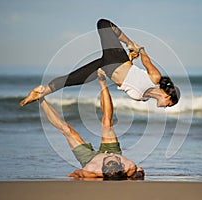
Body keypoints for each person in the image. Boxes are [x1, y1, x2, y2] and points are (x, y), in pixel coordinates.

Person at [20, 19, 180, 108]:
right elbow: (146, 62)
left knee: (69, 80)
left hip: (104, 67)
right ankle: (128, 41)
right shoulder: (155, 79)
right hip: (116, 59)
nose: (166, 107)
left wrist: (103, 78)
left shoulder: (142, 99)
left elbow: (124, 82)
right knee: (103, 24)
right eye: (169, 104)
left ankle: (40, 93)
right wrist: (136, 47)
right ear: (167, 96)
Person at [39, 68, 144, 180]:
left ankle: (40, 99)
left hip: (89, 159)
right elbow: (140, 173)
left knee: (67, 130)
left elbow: (76, 174)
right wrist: (139, 174)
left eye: (110, 159)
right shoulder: (129, 167)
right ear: (121, 165)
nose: (111, 156)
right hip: (112, 148)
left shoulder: (90, 170)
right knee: (107, 122)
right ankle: (102, 82)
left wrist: (74, 176)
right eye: (115, 159)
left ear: (102, 167)